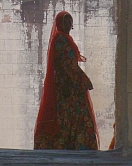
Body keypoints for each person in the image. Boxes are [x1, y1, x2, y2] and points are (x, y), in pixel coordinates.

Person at [34, 11, 99, 150]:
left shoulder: (63, 39)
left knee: (70, 115)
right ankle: (74, 144)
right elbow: (67, 63)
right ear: (60, 24)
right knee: (72, 114)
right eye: (66, 22)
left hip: (68, 85)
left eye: (70, 22)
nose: (69, 25)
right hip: (67, 86)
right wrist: (83, 80)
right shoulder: (61, 39)